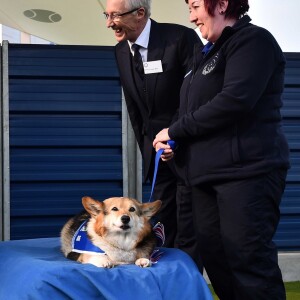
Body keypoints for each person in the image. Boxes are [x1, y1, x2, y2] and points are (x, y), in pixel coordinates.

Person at [153, 0, 290, 299]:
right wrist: (174, 142)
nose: (191, 17)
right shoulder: (202, 56)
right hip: (204, 179)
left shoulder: (253, 41)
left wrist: (176, 130)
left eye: (195, 6)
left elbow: (235, 100)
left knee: (248, 261)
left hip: (246, 174)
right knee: (217, 261)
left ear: (222, 4)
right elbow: (188, 110)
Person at [104, 0, 203, 269]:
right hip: (159, 157)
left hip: (190, 153)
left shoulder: (180, 38)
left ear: (140, 14)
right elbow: (136, 112)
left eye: (115, 15)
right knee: (159, 229)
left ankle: (188, 284)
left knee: (190, 229)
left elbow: (195, 96)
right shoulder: (120, 52)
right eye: (107, 15)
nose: (109, 22)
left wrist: (175, 137)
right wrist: (149, 152)